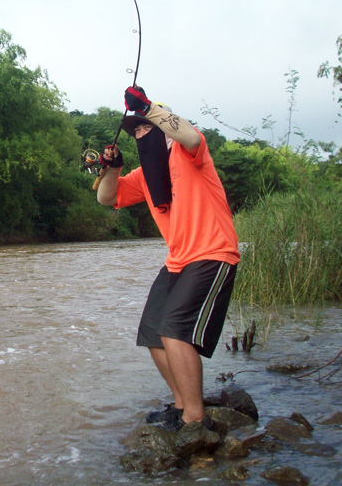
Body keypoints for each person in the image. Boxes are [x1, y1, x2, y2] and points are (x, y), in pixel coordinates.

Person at [96, 85, 240, 432]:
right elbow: (105, 198)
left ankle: (195, 419)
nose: (142, 133)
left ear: (164, 132)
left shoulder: (190, 154)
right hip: (178, 260)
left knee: (175, 332)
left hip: (212, 252)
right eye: (137, 132)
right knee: (151, 334)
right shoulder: (145, 176)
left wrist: (147, 107)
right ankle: (181, 404)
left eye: (147, 128)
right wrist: (112, 168)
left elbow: (188, 135)